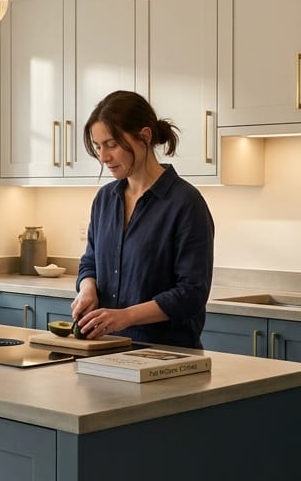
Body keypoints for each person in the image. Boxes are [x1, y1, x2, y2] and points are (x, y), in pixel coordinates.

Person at [71, 90, 214, 349]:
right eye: (98, 146)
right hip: (106, 350)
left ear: (144, 137)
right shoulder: (105, 199)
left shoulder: (186, 203)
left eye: (112, 144)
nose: (103, 157)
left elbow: (192, 292)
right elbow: (90, 261)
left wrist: (125, 317)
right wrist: (87, 289)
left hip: (168, 356)